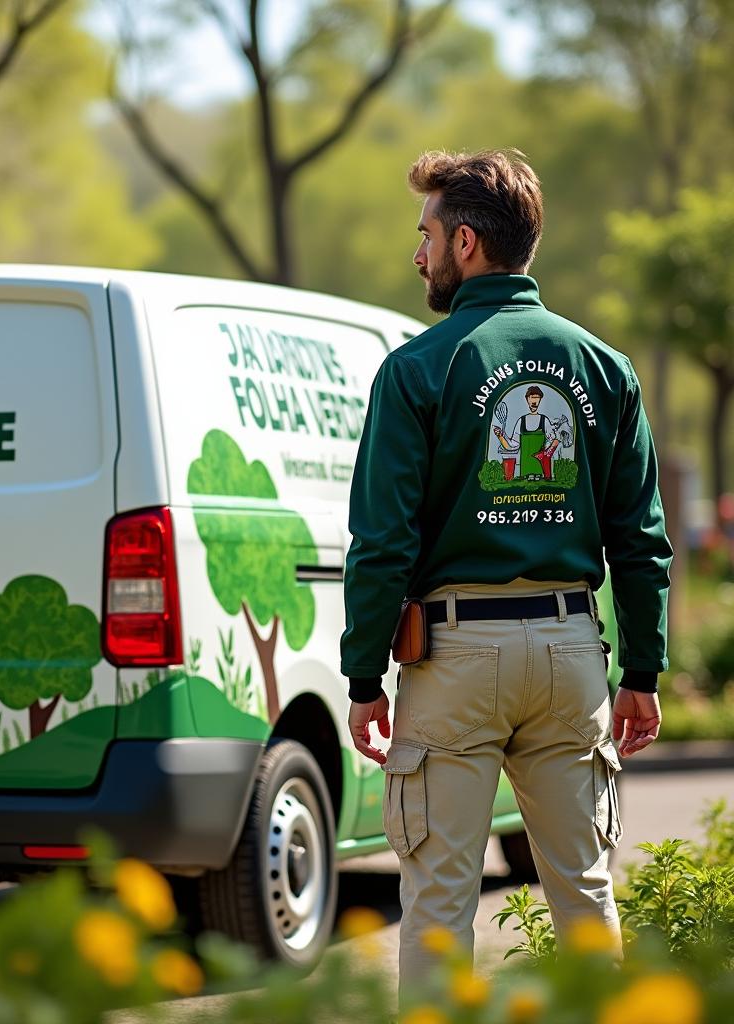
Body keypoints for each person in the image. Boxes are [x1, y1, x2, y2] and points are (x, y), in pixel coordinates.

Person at [340, 149, 672, 1006]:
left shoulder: (416, 369)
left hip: (453, 658)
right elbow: (640, 539)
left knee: (440, 909)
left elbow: (381, 543)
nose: (417, 256)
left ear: (465, 242)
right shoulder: (606, 370)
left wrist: (363, 676)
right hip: (571, 652)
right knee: (587, 897)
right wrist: (641, 672)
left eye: (425, 238)